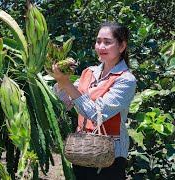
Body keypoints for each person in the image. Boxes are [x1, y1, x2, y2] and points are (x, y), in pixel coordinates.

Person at [48, 21, 136, 180]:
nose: (101, 46)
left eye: (107, 42)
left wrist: (67, 83)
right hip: (82, 150)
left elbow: (96, 114)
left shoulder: (126, 80)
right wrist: (60, 81)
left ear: (122, 46)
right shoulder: (89, 72)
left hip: (110, 156)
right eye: (98, 41)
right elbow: (64, 103)